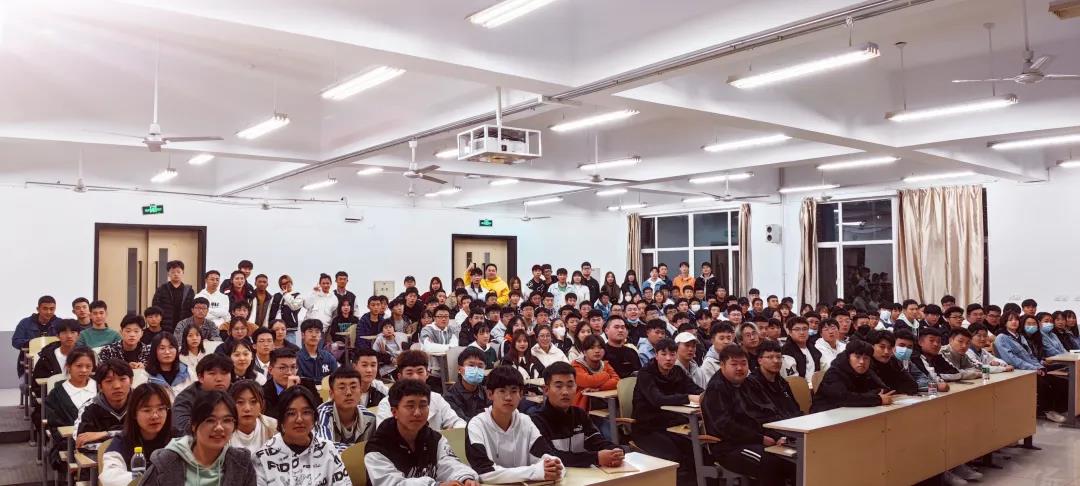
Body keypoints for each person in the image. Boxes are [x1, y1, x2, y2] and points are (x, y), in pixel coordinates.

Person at [701, 344, 796, 486]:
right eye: (734, 364)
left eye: (743, 364)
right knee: (771, 461)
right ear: (722, 365)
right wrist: (761, 438)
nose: (740, 368)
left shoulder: (750, 383)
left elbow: (765, 412)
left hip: (756, 440)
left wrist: (778, 436)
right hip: (730, 447)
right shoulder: (716, 389)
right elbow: (726, 427)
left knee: (794, 456)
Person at [365, 380, 480, 486]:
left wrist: (465, 478)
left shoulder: (434, 439)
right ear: (394, 412)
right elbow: (392, 483)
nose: (417, 413)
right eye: (410, 406)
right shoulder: (377, 448)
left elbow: (449, 463)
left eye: (423, 405)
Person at [465, 366, 564, 483]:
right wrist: (534, 472)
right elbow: (484, 472)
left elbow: (546, 455)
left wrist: (554, 466)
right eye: (502, 391)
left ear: (521, 395)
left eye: (513, 391)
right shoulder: (476, 425)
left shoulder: (525, 421)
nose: (508, 397)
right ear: (490, 394)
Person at [139, 390, 258, 486]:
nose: (219, 427)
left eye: (227, 420)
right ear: (194, 425)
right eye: (210, 420)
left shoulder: (241, 463)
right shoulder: (166, 462)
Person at [529, 361, 627, 468]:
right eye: (559, 386)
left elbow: (597, 442)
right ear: (546, 390)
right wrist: (596, 458)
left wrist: (615, 451)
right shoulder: (536, 420)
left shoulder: (579, 414)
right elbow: (550, 457)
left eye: (570, 385)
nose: (565, 392)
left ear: (576, 387)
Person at [632, 338, 703, 484]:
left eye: (672, 354)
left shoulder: (677, 371)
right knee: (674, 455)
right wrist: (687, 397)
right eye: (664, 354)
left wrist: (705, 396)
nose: (669, 358)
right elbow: (657, 399)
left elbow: (695, 389)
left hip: (672, 426)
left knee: (696, 451)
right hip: (648, 428)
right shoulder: (646, 374)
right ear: (656, 355)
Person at [254, 386, 352, 486]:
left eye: (306, 412)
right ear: (281, 419)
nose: (299, 419)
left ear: (314, 417)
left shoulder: (328, 450)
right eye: (291, 413)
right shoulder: (263, 457)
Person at [99, 383, 173, 486]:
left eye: (161, 409)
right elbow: (109, 477)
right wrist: (149, 479)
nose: (155, 416)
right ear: (134, 413)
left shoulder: (177, 439)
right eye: (147, 410)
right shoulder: (122, 442)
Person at [375, 350, 466, 429]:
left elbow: (457, 422)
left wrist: (454, 429)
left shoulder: (436, 399)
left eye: (420, 372)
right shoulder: (387, 403)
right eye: (409, 373)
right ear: (400, 377)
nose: (415, 377)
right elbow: (383, 435)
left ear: (427, 375)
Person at [44, 348, 96, 470]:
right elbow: (55, 428)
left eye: (88, 366)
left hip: (101, 443)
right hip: (69, 445)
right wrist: (79, 442)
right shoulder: (56, 394)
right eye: (79, 366)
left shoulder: (101, 388)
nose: (84, 370)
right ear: (68, 366)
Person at [810, 340, 894, 413]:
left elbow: (883, 389)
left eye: (866, 358)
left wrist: (871, 396)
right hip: (824, 415)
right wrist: (876, 399)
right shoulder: (834, 373)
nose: (862, 362)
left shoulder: (867, 371)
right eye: (857, 357)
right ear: (848, 357)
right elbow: (843, 398)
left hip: (852, 412)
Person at [74, 359, 133, 450]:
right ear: (100, 386)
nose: (117, 386)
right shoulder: (89, 408)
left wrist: (106, 434)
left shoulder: (143, 404)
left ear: (131, 381)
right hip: (99, 458)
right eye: (109, 381)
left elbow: (149, 434)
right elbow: (82, 443)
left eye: (122, 379)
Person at [315, 366, 376, 451]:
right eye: (342, 388)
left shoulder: (370, 418)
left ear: (361, 392)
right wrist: (362, 450)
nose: (348, 393)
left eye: (353, 387)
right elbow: (324, 448)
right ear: (331, 394)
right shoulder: (322, 413)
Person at [172, 353, 233, 435]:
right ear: (200, 377)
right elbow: (181, 429)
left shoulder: (237, 392)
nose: (219, 379)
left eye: (224, 373)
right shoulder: (185, 399)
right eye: (212, 373)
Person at [747, 340, 802, 419]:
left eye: (779, 357)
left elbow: (795, 409)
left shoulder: (782, 382)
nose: (776, 361)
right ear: (759, 360)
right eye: (770, 357)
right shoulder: (752, 384)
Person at [261, 347, 320, 417]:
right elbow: (272, 417)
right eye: (282, 368)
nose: (289, 372)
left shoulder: (308, 385)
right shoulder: (263, 392)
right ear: (270, 370)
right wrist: (289, 392)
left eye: (293, 367)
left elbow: (318, 411)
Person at [912, 327, 980, 383]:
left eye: (939, 341)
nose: (936, 344)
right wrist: (939, 377)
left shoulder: (938, 357)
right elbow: (932, 378)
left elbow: (956, 373)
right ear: (920, 342)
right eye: (931, 340)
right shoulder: (915, 358)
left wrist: (940, 376)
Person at [227, 380, 277, 454]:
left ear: (262, 404)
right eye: (240, 402)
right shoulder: (224, 429)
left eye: (253, 402)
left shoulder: (273, 427)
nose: (247, 408)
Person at [571, 335, 619, 410]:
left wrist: (599, 388)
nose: (597, 351)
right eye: (592, 348)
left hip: (604, 404)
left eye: (600, 347)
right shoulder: (576, 365)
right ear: (584, 352)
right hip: (582, 408)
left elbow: (617, 381)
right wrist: (605, 375)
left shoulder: (605, 364)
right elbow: (588, 381)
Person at [867, 330, 921, 395]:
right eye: (882, 347)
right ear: (872, 346)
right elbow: (881, 389)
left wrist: (894, 389)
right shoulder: (866, 363)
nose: (886, 352)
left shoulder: (894, 361)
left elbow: (913, 385)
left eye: (889, 348)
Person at [445, 347, 491, 421]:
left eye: (480, 366)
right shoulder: (450, 397)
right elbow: (460, 422)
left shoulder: (487, 393)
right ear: (460, 369)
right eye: (471, 365)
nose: (476, 370)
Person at [146, 333, 195, 398]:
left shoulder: (187, 372)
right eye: (162, 348)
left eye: (171, 347)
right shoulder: (146, 376)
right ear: (154, 351)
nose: (167, 352)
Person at [419, 305, 459, 384]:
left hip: (450, 370)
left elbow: (454, 347)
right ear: (434, 318)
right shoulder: (427, 330)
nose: (443, 319)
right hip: (432, 372)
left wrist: (438, 347)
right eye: (440, 316)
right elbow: (428, 347)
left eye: (446, 316)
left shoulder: (452, 329)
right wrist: (448, 348)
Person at [151, 260, 195, 333]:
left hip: (184, 326)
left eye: (178, 272)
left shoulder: (189, 290)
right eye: (173, 272)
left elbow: (192, 309)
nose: (176, 274)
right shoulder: (162, 289)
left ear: (183, 273)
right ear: (168, 274)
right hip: (165, 325)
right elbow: (155, 307)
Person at [781, 317, 820, 386]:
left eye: (805, 329)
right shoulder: (786, 351)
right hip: (800, 388)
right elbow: (793, 380)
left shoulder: (813, 348)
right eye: (797, 329)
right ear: (790, 332)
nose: (802, 332)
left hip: (816, 386)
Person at [698, 322, 737, 387]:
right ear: (712, 340)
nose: (726, 342)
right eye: (721, 338)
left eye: (729, 338)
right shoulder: (708, 364)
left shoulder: (738, 355)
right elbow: (710, 388)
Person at [269, 275, 303, 345]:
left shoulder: (297, 295)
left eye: (288, 282)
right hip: (274, 329)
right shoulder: (276, 296)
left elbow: (294, 307)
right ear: (280, 285)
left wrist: (286, 294)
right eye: (283, 284)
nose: (286, 285)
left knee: (290, 348)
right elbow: (269, 311)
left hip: (289, 328)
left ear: (291, 282)